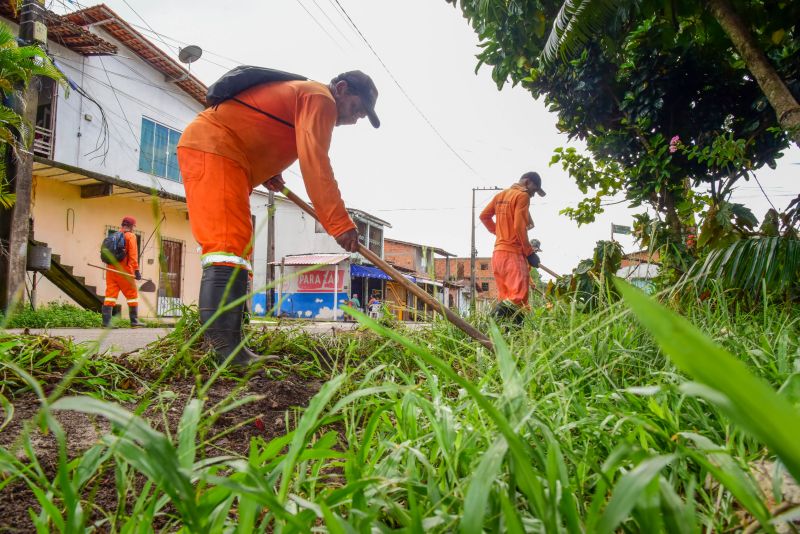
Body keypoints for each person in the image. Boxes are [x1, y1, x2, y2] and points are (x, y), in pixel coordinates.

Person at [177, 70, 380, 365]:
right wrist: (339, 224)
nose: (353, 120)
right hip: (215, 148)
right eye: (355, 109)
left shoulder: (307, 98)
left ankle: (233, 340)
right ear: (342, 88)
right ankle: (222, 349)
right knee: (226, 244)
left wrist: (269, 169)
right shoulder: (320, 98)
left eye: (360, 116)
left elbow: (267, 126)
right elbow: (316, 162)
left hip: (231, 157)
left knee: (238, 247)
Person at [479, 172, 546, 319]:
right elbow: (519, 227)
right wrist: (529, 253)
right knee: (518, 299)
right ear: (527, 182)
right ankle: (489, 324)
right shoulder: (522, 196)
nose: (533, 195)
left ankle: (509, 338)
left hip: (498, 256)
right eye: (534, 190)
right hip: (513, 255)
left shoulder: (500, 196)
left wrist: (500, 233)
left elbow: (484, 216)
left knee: (507, 298)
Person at [102, 216, 143, 328]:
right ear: (132, 226)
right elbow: (133, 256)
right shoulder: (130, 236)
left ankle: (106, 322)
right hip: (125, 271)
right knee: (132, 295)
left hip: (110, 270)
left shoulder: (113, 235)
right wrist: (137, 271)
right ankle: (134, 321)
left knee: (110, 295)